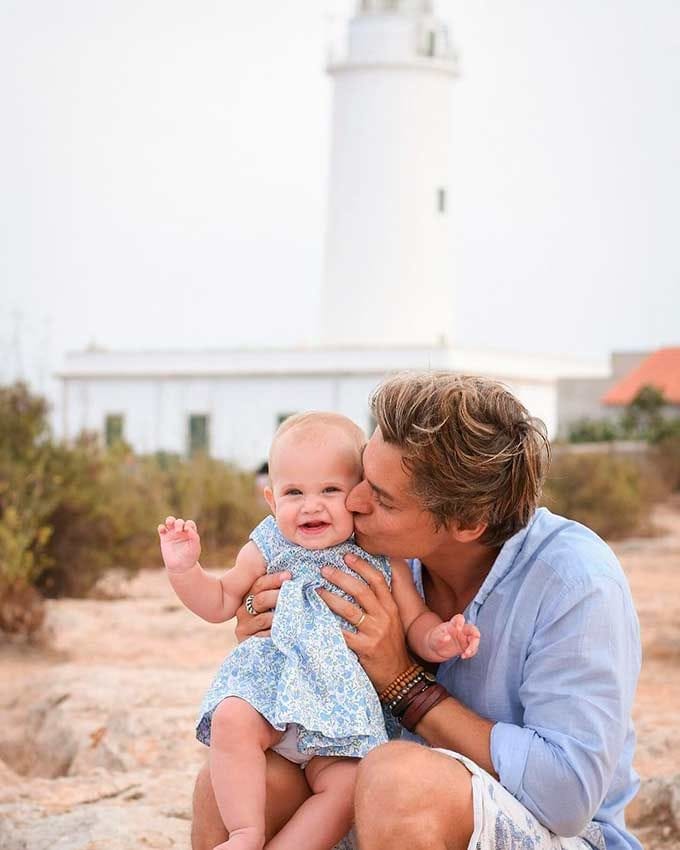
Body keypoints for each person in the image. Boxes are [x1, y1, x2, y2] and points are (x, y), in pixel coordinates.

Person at [191, 372, 642, 850]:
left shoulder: (576, 584)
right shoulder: (370, 552)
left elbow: (567, 798)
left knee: (397, 781)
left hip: (551, 832)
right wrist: (270, 627)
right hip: (372, 801)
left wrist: (403, 684)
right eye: (362, 476)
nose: (354, 500)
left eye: (381, 497)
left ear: (467, 522)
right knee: (234, 787)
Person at [159, 411, 480, 850]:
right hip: (272, 698)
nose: (311, 505)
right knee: (232, 718)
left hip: (340, 713)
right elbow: (218, 602)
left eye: (330, 490)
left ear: (358, 496)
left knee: (347, 787)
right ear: (272, 501)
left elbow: (416, 619)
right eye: (294, 492)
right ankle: (245, 832)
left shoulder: (380, 554)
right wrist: (184, 570)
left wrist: (440, 638)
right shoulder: (269, 544)